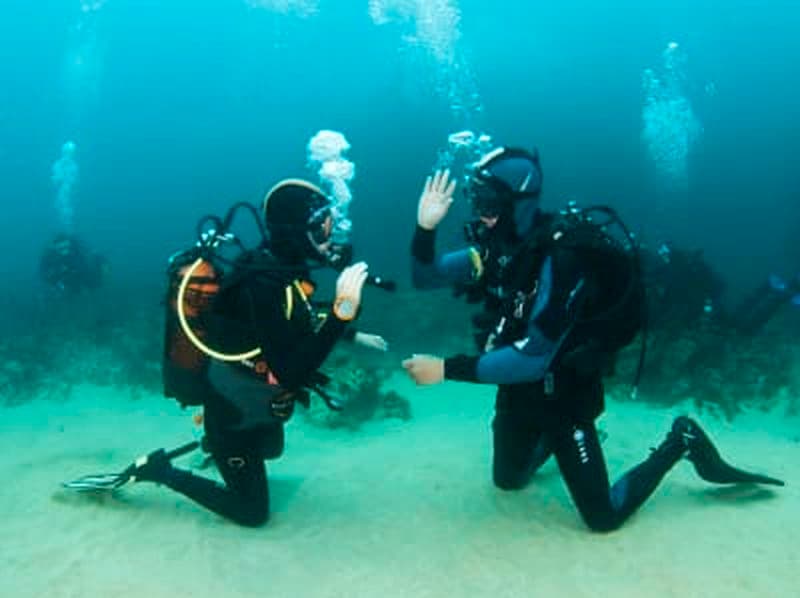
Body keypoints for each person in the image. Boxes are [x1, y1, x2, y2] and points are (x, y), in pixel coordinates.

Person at [402, 147, 783, 532]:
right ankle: (558, 446)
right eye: (475, 201)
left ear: (517, 203)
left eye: (487, 203)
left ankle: (679, 441)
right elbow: (424, 277)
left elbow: (533, 358)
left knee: (603, 518)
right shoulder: (494, 250)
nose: (480, 214)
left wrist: (446, 369)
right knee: (508, 481)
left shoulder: (564, 259)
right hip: (517, 391)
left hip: (565, 397)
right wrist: (425, 227)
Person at [67, 180, 385, 526]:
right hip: (231, 413)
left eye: (329, 224)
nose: (329, 237)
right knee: (252, 513)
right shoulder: (261, 282)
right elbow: (292, 372)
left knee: (272, 449)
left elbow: (295, 320)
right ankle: (161, 471)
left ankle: (214, 448)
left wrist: (350, 335)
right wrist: (341, 316)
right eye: (320, 227)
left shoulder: (282, 271)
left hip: (253, 398)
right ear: (294, 231)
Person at [39, 233, 106, 295]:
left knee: (96, 285)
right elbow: (43, 274)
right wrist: (56, 283)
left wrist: (102, 267)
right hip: (65, 280)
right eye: (61, 249)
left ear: (69, 244)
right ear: (55, 248)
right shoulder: (50, 256)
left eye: (66, 247)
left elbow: (94, 255)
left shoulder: (78, 249)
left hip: (82, 273)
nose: (65, 251)